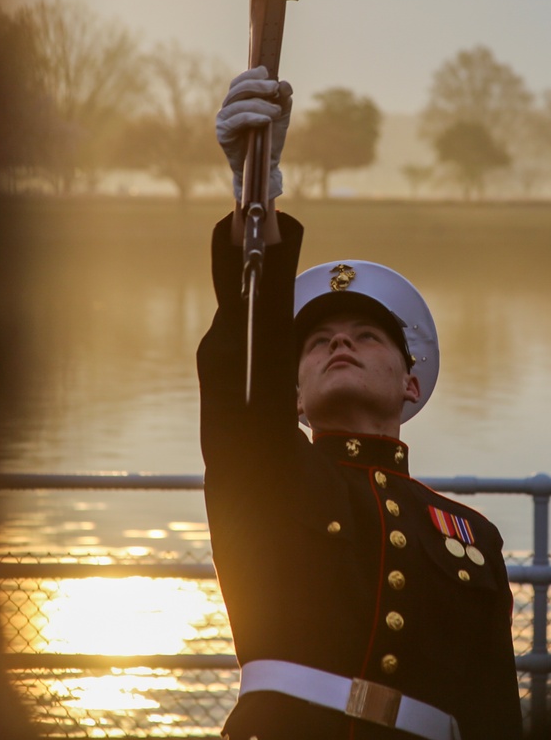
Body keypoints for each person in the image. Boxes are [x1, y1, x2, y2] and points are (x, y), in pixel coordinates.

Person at [198, 67, 523, 740]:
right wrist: (254, 195)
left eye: (366, 335)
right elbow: (237, 372)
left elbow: (494, 710)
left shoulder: (471, 536)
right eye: (316, 341)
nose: (339, 341)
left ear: (411, 383)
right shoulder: (268, 471)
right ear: (292, 391)